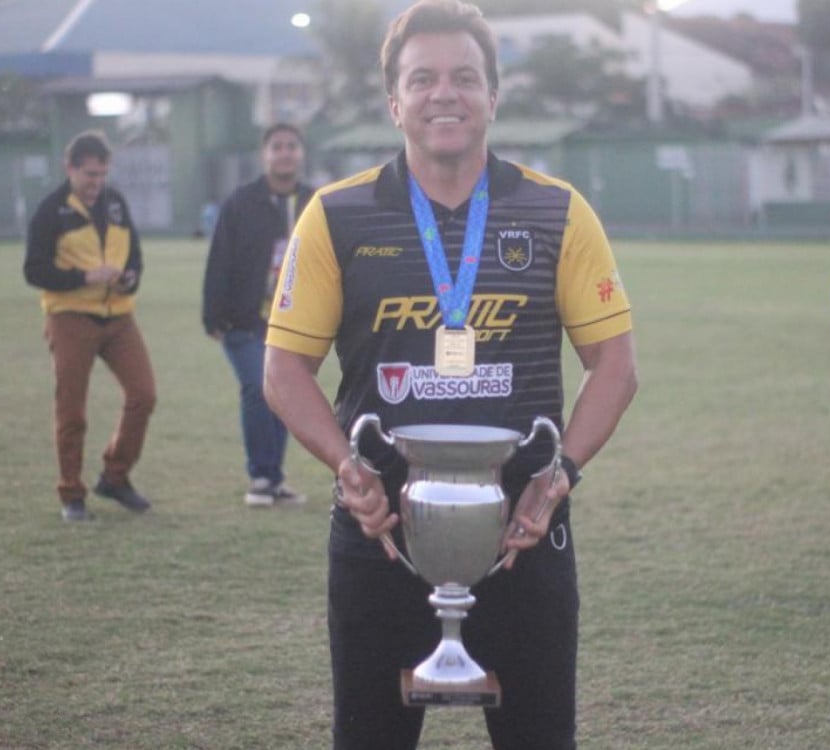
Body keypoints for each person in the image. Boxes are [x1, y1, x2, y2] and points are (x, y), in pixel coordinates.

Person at [262, 1, 637, 747]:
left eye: (465, 77)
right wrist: (347, 468)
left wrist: (557, 475)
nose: (445, 94)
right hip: (381, 536)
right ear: (393, 101)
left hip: (523, 535)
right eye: (422, 78)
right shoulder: (336, 215)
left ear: (493, 96)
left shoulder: (556, 212)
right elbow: (283, 370)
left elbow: (616, 367)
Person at [23, 130, 156, 522]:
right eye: (89, 174)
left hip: (118, 316)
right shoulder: (51, 210)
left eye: (102, 174)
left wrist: (130, 277)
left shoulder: (115, 203)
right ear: (70, 169)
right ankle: (71, 492)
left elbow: (135, 256)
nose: (97, 182)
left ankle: (115, 476)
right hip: (70, 317)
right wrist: (85, 277)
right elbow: (34, 270)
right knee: (72, 409)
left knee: (144, 395)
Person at [202, 123, 313, 507]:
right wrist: (213, 316)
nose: (284, 153)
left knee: (283, 394)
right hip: (245, 321)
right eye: (277, 146)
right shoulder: (241, 202)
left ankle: (273, 479)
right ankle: (260, 477)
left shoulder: (314, 202)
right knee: (257, 388)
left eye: (291, 146)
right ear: (264, 155)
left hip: (293, 322)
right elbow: (220, 258)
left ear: (301, 153)